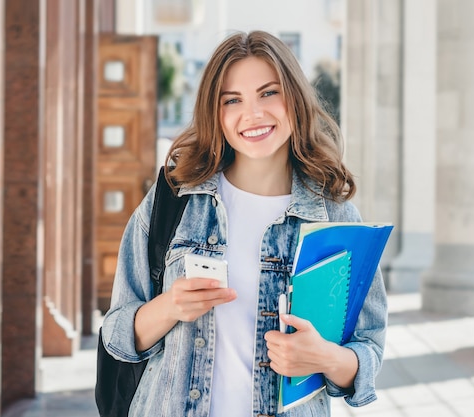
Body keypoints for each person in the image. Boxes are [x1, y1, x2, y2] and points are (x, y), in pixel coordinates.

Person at [101, 30, 387, 417]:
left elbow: (367, 347)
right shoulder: (176, 198)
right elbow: (117, 331)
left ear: (295, 99)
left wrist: (324, 357)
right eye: (232, 100)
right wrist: (170, 306)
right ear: (215, 113)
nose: (252, 114)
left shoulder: (334, 217)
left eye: (268, 93)